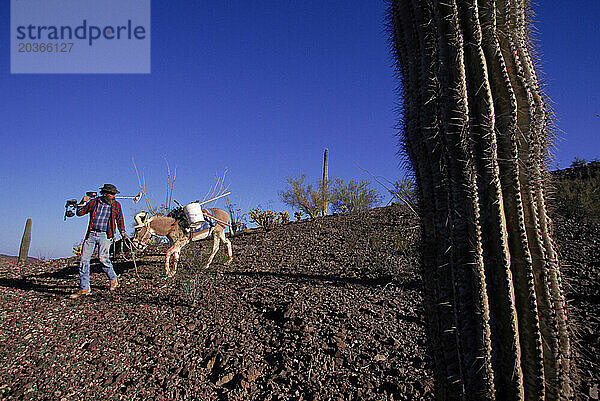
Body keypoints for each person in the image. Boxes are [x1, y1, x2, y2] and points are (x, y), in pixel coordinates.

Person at [70, 184, 128, 299]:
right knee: (83, 260)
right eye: (112, 194)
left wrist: (122, 232)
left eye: (114, 194)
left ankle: (113, 279)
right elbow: (80, 213)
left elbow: (120, 219)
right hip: (91, 234)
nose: (114, 196)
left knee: (103, 258)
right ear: (105, 194)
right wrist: (82, 202)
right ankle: (84, 288)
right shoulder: (94, 202)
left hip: (106, 235)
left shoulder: (116, 205)